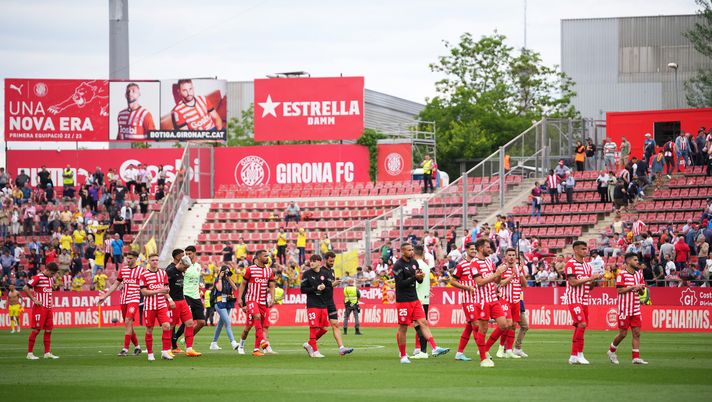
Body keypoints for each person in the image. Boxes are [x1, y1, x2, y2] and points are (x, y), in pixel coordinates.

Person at [393, 243, 449, 364]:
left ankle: (434, 348)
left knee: (423, 322)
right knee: (403, 327)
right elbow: (400, 284)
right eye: (409, 250)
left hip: (415, 299)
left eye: (412, 250)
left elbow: (419, 279)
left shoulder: (414, 263)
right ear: (403, 252)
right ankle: (403, 355)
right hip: (403, 300)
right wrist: (414, 277)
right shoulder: (398, 265)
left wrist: (419, 277)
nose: (411, 252)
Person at [470, 238, 509, 368]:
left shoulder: (489, 261)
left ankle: (484, 349)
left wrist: (500, 274)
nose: (490, 249)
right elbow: (479, 282)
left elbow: (496, 281)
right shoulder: (474, 263)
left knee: (504, 325)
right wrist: (496, 274)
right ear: (481, 248)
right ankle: (483, 359)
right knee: (483, 329)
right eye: (487, 247)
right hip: (482, 301)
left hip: (493, 299)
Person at [98, 251, 144, 356]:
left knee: (128, 321)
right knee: (129, 324)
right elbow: (115, 285)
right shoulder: (123, 270)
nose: (128, 260)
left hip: (134, 299)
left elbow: (145, 285)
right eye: (127, 258)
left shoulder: (141, 271)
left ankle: (125, 349)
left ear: (136, 258)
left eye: (131, 258)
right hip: (123, 299)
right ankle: (137, 347)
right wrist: (105, 296)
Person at [565, 241, 602, 365]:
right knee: (582, 324)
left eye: (586, 249)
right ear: (576, 250)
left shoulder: (588, 266)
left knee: (579, 327)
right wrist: (590, 278)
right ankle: (580, 354)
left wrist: (595, 281)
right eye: (583, 249)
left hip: (584, 300)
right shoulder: (570, 264)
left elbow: (589, 286)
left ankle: (573, 356)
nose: (586, 251)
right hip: (574, 299)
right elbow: (573, 282)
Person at [607, 253, 648, 365]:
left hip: (635, 308)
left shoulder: (639, 274)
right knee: (623, 333)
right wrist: (633, 287)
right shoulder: (622, 274)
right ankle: (611, 351)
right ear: (629, 261)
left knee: (637, 333)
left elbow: (641, 292)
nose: (637, 262)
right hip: (624, 309)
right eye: (635, 260)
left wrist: (640, 289)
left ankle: (635, 357)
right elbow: (619, 290)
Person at [237, 250, 276, 357]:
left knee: (254, 326)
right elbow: (243, 284)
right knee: (256, 318)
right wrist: (239, 298)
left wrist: (272, 298)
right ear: (258, 258)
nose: (267, 257)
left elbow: (272, 286)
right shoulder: (250, 269)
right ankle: (243, 345)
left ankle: (256, 349)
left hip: (262, 302)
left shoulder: (269, 271)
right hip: (251, 299)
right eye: (265, 256)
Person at [139, 254, 174, 361]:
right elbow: (144, 292)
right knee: (149, 329)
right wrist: (159, 290)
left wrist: (170, 299)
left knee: (167, 326)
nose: (155, 262)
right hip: (149, 306)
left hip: (162, 305)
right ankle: (150, 353)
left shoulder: (163, 273)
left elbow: (166, 288)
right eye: (153, 260)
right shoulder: (144, 275)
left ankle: (165, 351)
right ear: (149, 261)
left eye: (156, 260)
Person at [495, 248, 528, 359]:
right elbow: (501, 283)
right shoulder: (502, 268)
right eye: (509, 255)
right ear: (505, 256)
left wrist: (520, 273)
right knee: (507, 324)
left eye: (513, 255)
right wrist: (513, 275)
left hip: (516, 300)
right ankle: (500, 348)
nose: (511, 257)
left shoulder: (518, 269)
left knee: (513, 325)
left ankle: (509, 350)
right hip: (505, 299)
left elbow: (525, 285)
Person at [165, 249, 199, 356]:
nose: (185, 270)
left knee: (189, 323)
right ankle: (167, 349)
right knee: (171, 326)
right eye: (184, 267)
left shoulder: (182, 271)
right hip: (173, 302)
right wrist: (169, 300)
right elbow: (164, 287)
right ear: (180, 263)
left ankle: (189, 349)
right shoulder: (169, 271)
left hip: (182, 300)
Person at [449, 241, 479, 361]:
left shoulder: (478, 264)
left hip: (478, 299)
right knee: (476, 324)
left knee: (470, 326)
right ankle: (484, 351)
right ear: (466, 250)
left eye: (475, 249)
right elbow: (453, 281)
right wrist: (467, 287)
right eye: (471, 249)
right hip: (467, 299)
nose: (474, 251)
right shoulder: (461, 265)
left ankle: (459, 353)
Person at [24, 262, 60, 360]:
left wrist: (53, 287)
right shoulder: (38, 277)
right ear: (47, 270)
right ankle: (29, 353)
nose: (53, 275)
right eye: (52, 273)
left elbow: (46, 289)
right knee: (36, 330)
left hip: (48, 308)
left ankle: (47, 353)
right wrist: (34, 299)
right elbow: (25, 288)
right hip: (40, 308)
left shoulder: (50, 278)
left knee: (49, 330)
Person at [320, 252, 354, 355]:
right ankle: (311, 343)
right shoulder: (321, 271)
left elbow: (329, 286)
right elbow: (320, 287)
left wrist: (334, 284)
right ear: (325, 260)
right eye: (330, 261)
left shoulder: (332, 271)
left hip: (330, 301)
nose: (332, 263)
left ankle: (341, 348)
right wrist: (331, 284)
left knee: (335, 324)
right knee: (321, 327)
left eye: (333, 261)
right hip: (321, 302)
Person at [300, 254, 332, 358]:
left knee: (324, 328)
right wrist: (315, 288)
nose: (311, 262)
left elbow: (329, 288)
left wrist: (324, 287)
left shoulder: (325, 274)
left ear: (319, 262)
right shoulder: (306, 274)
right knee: (313, 328)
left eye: (314, 261)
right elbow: (303, 290)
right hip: (312, 304)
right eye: (311, 261)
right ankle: (315, 351)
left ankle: (309, 344)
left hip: (322, 304)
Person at [180, 245, 206, 355]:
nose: (188, 256)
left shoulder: (198, 266)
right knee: (188, 322)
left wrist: (200, 288)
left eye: (190, 253)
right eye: (186, 253)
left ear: (194, 254)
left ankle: (186, 338)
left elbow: (198, 280)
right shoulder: (183, 266)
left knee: (201, 322)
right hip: (186, 295)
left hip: (196, 296)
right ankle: (187, 346)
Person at [210, 265, 239, 351]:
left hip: (228, 302)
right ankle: (233, 342)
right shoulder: (217, 280)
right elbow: (220, 289)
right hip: (219, 302)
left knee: (221, 324)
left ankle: (213, 343)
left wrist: (229, 278)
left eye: (228, 271)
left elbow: (235, 288)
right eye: (225, 271)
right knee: (227, 322)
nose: (227, 273)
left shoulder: (229, 279)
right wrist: (220, 277)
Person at [413, 245, 433, 358]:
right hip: (425, 298)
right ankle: (421, 350)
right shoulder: (426, 265)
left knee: (419, 325)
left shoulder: (417, 265)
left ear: (414, 253)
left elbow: (415, 283)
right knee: (419, 325)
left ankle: (423, 351)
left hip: (417, 299)